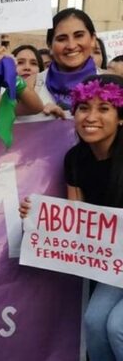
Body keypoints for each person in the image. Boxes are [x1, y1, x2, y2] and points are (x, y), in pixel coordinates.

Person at [20, 75, 123, 360]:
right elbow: (76, 221)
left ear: (120, 118)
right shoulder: (75, 159)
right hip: (116, 266)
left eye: (104, 108)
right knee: (94, 322)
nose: (91, 117)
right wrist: (37, 217)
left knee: (117, 327)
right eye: (83, 108)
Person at [35, 8, 100, 110]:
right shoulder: (31, 86)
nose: (71, 46)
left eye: (79, 36)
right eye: (62, 39)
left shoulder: (114, 84)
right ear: (50, 45)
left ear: (93, 39)